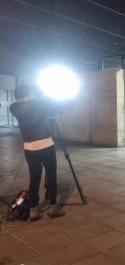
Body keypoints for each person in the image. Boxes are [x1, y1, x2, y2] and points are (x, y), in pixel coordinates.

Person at [10, 83, 66, 221]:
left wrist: (33, 96)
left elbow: (27, 105)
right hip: (46, 145)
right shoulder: (39, 103)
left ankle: (33, 210)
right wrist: (38, 95)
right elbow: (53, 106)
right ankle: (53, 207)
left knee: (34, 178)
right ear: (28, 93)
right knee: (51, 176)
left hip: (30, 148)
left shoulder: (14, 107)